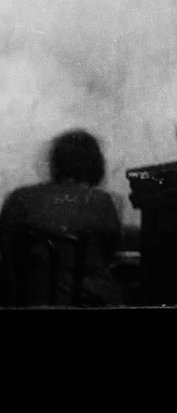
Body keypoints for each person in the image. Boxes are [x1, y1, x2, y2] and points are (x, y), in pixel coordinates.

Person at [0, 129, 123, 306]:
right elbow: (110, 251)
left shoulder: (19, 198)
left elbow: (5, 249)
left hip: (26, 301)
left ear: (55, 162)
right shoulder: (101, 201)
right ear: (96, 164)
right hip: (87, 302)